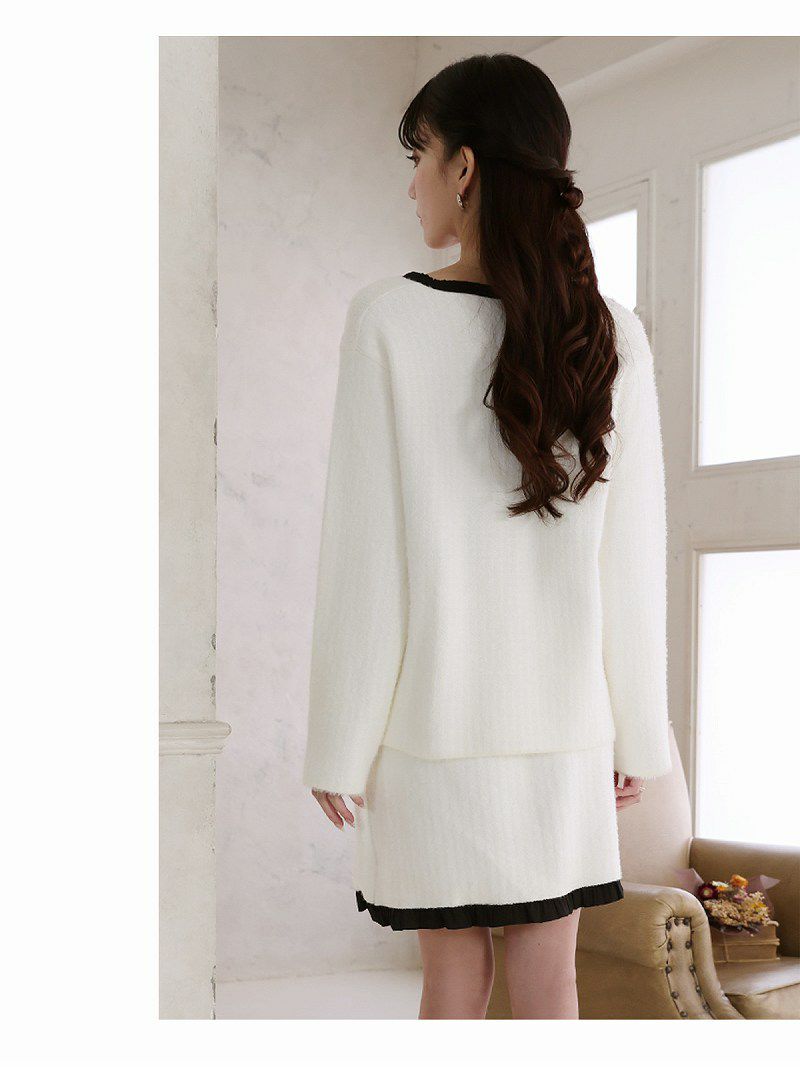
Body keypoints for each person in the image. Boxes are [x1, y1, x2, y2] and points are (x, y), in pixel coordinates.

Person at [301, 53, 672, 1020]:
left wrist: (339, 740)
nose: (410, 184)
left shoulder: (388, 321)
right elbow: (632, 561)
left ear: (463, 167)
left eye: (417, 156)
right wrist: (638, 729)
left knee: (453, 984)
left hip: (433, 742)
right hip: (565, 739)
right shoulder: (613, 333)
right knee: (553, 986)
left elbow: (366, 558)